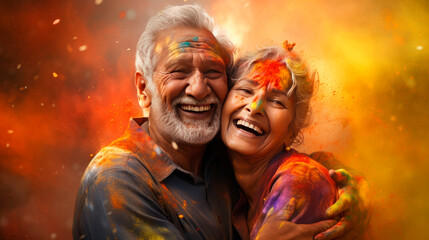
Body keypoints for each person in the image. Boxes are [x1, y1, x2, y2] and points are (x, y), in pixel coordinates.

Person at [73, 4, 370, 240]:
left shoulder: (218, 150)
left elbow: (295, 166)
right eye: (178, 71)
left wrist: (348, 182)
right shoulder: (116, 181)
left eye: (213, 72)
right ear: (143, 89)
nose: (199, 89)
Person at [221, 45, 370, 240]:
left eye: (277, 101)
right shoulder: (218, 167)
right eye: (246, 90)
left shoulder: (299, 181)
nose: (255, 107)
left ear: (293, 131)